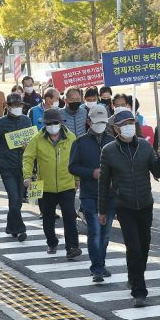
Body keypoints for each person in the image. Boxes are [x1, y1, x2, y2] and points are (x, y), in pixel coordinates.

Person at [98, 110, 160, 307]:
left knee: (144, 246)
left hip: (145, 204)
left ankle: (134, 275)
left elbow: (157, 172)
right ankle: (139, 290)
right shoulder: (109, 151)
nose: (128, 126)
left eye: (131, 122)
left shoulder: (145, 146)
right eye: (123, 124)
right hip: (124, 205)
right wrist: (102, 210)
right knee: (134, 247)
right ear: (116, 128)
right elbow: (103, 183)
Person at [23, 108, 81, 259]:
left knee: (70, 215)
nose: (52, 126)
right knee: (47, 217)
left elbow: (76, 159)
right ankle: (52, 242)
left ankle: (72, 247)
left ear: (61, 123)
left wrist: (77, 179)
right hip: (46, 186)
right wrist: (27, 176)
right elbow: (28, 157)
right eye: (48, 123)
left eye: (55, 123)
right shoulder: (37, 139)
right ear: (44, 124)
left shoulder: (71, 137)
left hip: (67, 185)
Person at [68, 104, 115, 282]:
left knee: (106, 232)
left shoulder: (112, 141)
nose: (100, 125)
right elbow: (72, 167)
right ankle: (96, 267)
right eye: (97, 121)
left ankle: (101, 263)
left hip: (109, 195)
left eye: (103, 121)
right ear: (89, 121)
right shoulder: (80, 142)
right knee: (94, 230)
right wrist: (91, 172)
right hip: (88, 194)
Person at [0, 93, 32, 240]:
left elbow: (32, 143)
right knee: (13, 197)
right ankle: (20, 229)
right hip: (7, 166)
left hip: (24, 167)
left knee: (18, 200)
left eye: (19, 105)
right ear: (7, 106)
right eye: (14, 106)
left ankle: (10, 226)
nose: (17, 108)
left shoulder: (26, 120)